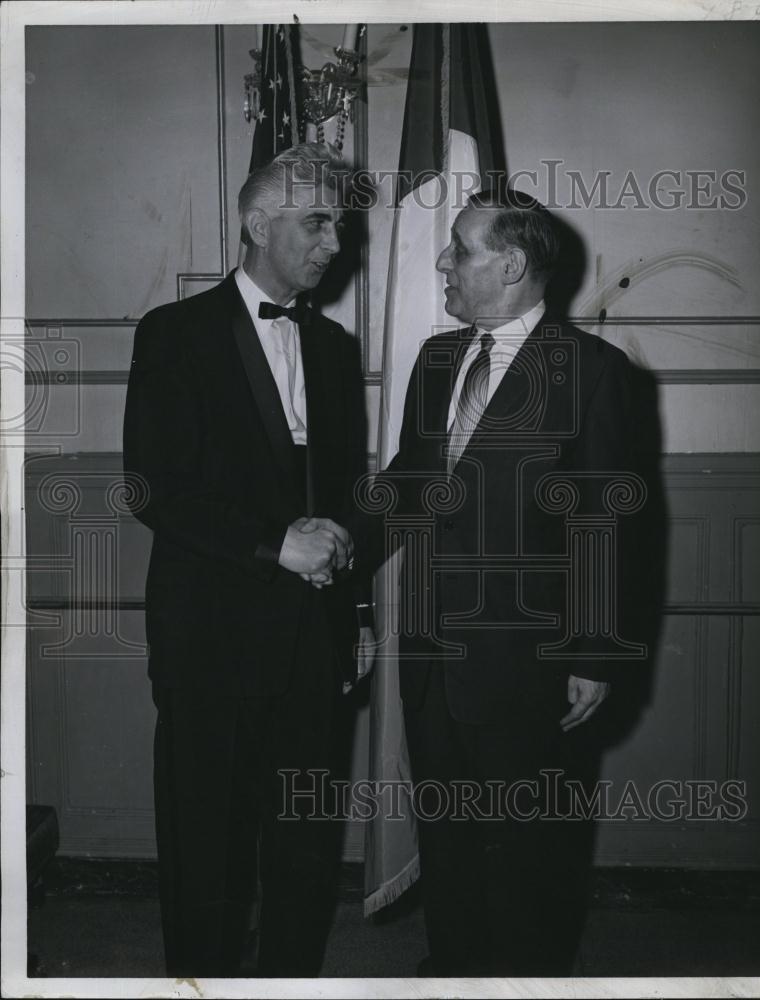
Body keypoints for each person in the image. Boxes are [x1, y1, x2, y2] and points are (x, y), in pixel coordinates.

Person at [354, 189, 641, 976]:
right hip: (432, 655)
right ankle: (452, 970)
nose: (443, 262)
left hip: (531, 665)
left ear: (511, 264)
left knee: (526, 852)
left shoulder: (593, 374)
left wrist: (594, 653)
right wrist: (339, 547)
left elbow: (608, 522)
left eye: (461, 249)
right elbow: (410, 483)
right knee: (448, 835)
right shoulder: (438, 359)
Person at [123, 143, 373, 978]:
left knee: (304, 852)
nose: (335, 242)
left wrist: (352, 597)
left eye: (338, 223)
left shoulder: (335, 349)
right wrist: (276, 547)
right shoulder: (174, 335)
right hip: (211, 643)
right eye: (318, 221)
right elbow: (156, 489)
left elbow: (343, 493)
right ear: (258, 225)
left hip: (313, 642)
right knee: (206, 854)